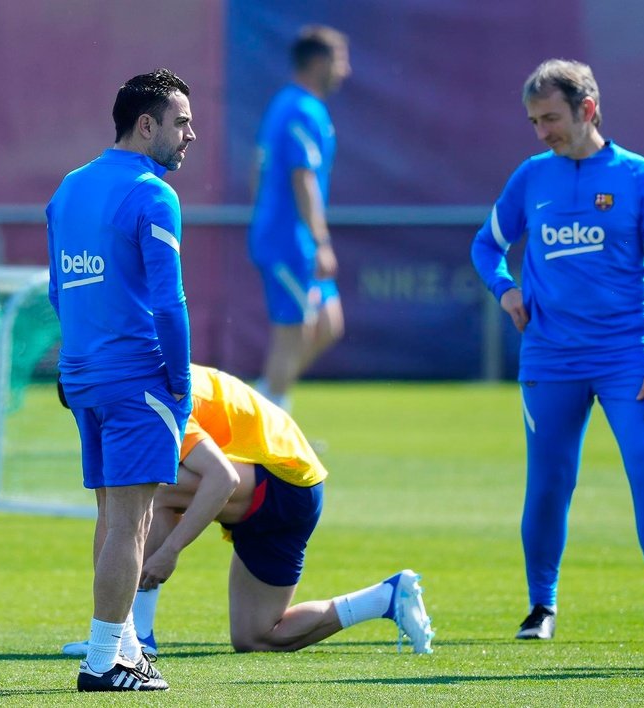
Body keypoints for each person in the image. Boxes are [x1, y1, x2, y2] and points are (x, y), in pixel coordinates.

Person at [470, 59, 644, 643]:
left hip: (630, 358)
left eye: (550, 118)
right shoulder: (531, 177)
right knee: (548, 482)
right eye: (533, 121)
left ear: (587, 109)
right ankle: (540, 607)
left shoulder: (641, 177)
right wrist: (507, 289)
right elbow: (486, 247)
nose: (541, 131)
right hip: (550, 360)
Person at [60, 363, 434, 656]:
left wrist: (170, 552)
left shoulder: (153, 395)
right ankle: (387, 597)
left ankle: (135, 635)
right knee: (258, 637)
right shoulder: (141, 378)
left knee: (150, 487)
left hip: (284, 482)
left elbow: (223, 480)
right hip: (291, 490)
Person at [46, 68, 196, 692]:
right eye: (181, 122)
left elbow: (60, 291)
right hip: (137, 380)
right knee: (132, 522)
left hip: (83, 377)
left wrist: (73, 362)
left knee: (112, 518)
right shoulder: (152, 194)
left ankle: (125, 645)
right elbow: (170, 303)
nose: (191, 135)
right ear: (146, 124)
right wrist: (181, 380)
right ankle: (104, 660)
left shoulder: (69, 187)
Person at [248, 25, 351, 412]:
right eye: (340, 60)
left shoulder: (290, 104)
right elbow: (302, 176)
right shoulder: (301, 109)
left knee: (328, 325)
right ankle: (265, 427)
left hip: (290, 237)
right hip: (289, 240)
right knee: (292, 333)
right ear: (320, 61)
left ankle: (263, 401)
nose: (345, 70)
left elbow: (256, 170)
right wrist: (320, 241)